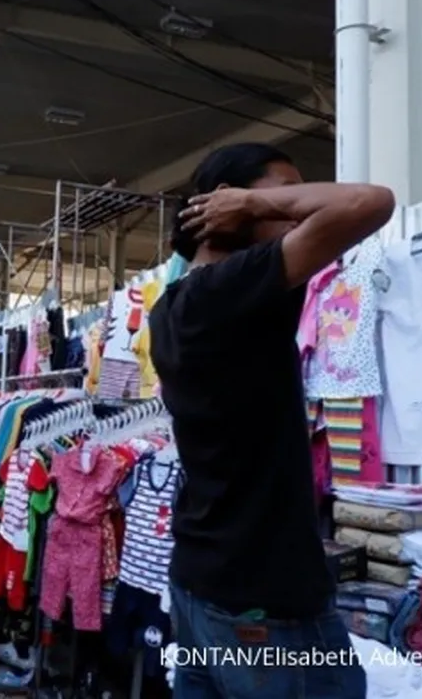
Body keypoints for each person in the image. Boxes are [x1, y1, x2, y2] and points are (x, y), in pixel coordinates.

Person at [148, 144, 393, 699]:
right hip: (264, 600)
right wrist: (255, 201)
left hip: (202, 582)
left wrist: (258, 203)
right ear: (229, 208)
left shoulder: (177, 303)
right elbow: (371, 202)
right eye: (280, 199)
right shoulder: (226, 289)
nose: (294, 213)